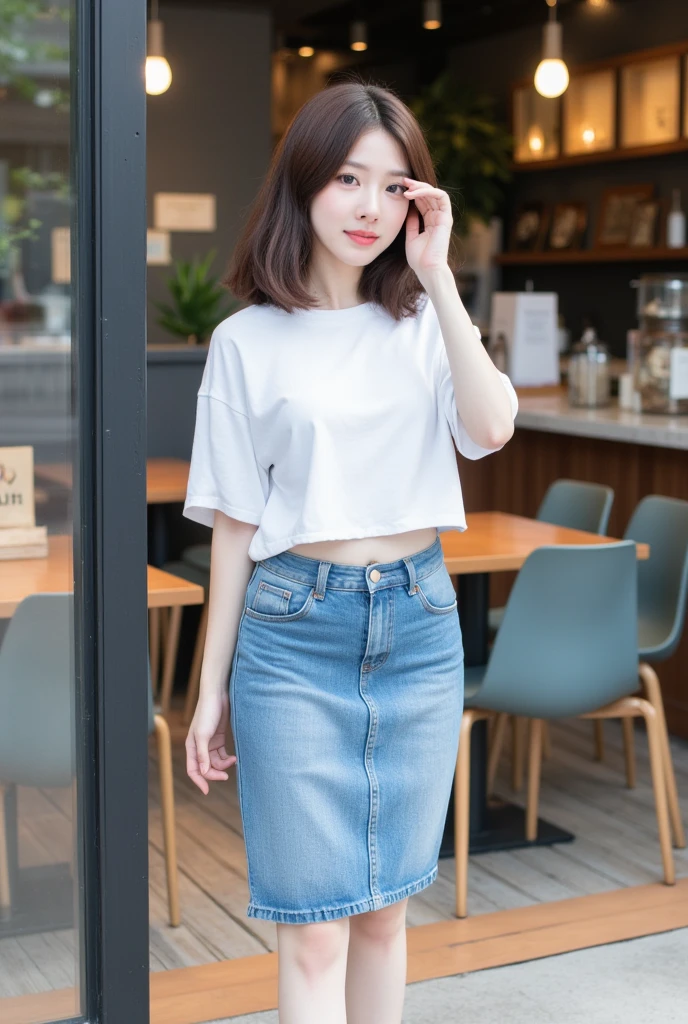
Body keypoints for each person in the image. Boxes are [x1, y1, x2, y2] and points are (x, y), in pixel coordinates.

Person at [183, 78, 517, 1024]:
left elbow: (491, 429)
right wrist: (209, 689)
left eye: (394, 184)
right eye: (346, 179)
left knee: (382, 917)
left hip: (417, 628)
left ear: (419, 200)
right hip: (293, 638)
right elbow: (237, 526)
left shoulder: (424, 327)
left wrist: (442, 277)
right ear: (301, 184)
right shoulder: (245, 341)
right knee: (315, 925)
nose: (370, 207)